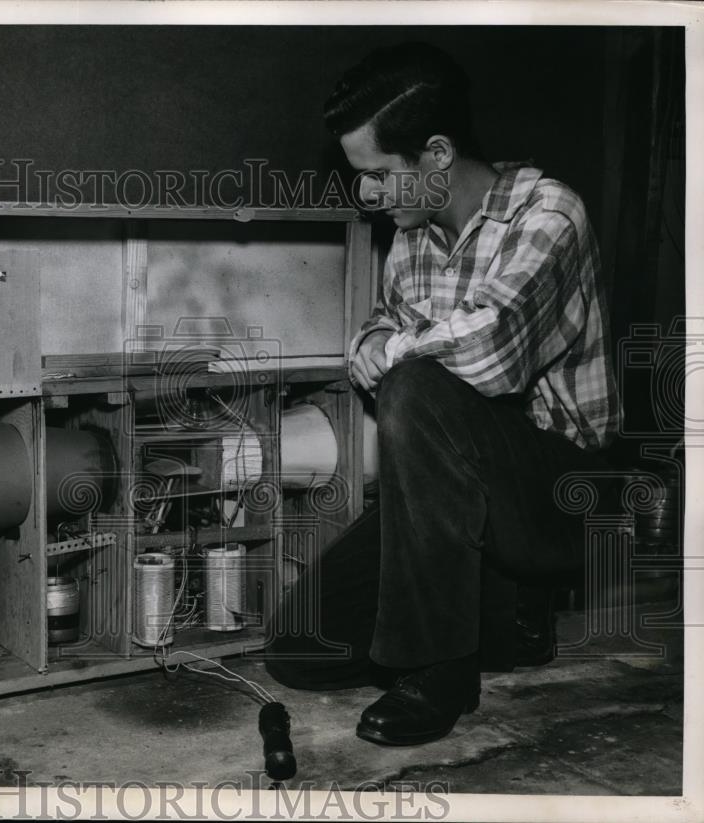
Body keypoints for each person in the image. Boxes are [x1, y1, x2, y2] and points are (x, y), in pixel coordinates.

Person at [265, 42, 620, 746]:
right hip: (454, 495)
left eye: (375, 176)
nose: (366, 196)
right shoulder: (413, 240)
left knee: (417, 386)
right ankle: (501, 617)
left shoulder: (549, 214)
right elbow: (370, 338)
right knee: (301, 649)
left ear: (435, 154)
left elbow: (489, 352)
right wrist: (389, 348)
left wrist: (394, 351)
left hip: (562, 491)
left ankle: (442, 668)